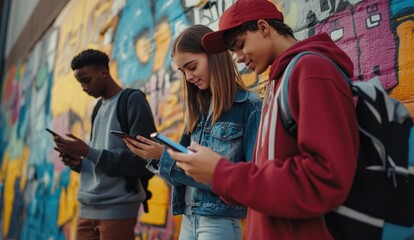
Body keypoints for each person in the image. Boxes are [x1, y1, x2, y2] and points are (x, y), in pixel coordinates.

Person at [168, 0, 360, 239]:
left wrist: (221, 174)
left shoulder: (311, 71)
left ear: (263, 27)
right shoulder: (279, 81)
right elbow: (266, 175)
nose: (237, 58)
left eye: (239, 45)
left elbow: (324, 179)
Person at [123, 24, 262, 240]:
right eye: (182, 71)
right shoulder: (198, 111)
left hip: (219, 222)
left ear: (214, 57)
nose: (188, 77)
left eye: (192, 66)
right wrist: (159, 158)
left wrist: (163, 156)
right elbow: (185, 174)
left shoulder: (250, 107)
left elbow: (248, 180)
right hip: (189, 217)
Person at [53, 49, 157, 240]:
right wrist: (79, 163)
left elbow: (142, 161)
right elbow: (100, 160)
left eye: (86, 80)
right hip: (87, 206)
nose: (84, 87)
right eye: (80, 83)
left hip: (117, 208)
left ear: (103, 72)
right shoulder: (98, 108)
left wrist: (87, 151)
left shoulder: (132, 100)